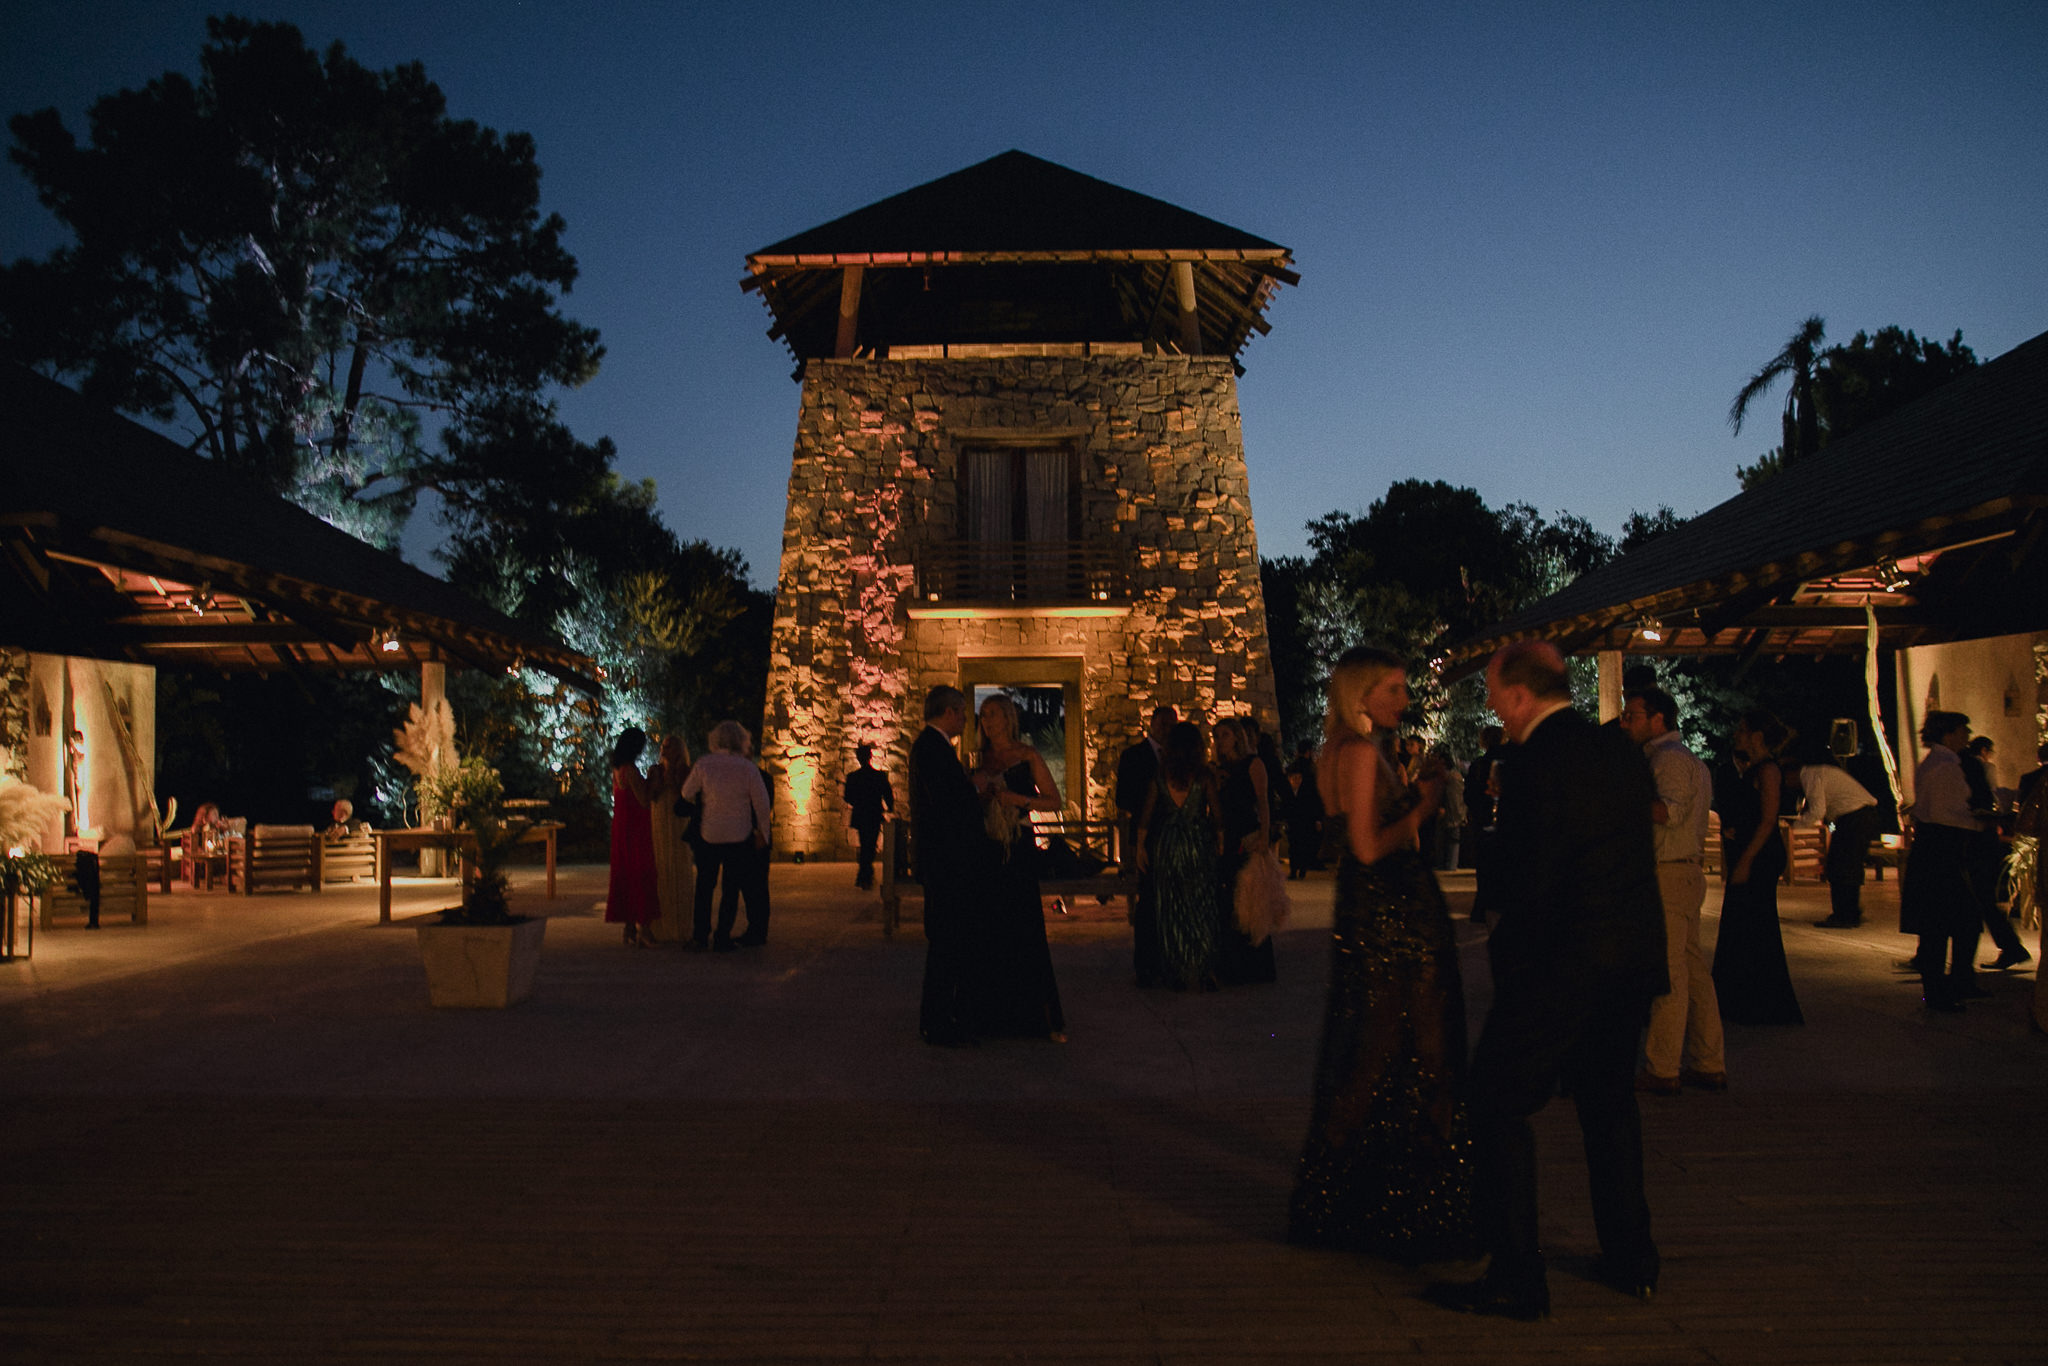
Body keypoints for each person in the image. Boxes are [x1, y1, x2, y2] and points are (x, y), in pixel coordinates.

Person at [1425, 641, 1665, 1322]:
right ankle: (1632, 1259)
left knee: (1495, 1100)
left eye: (1497, 694)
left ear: (1522, 696)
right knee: (1609, 1106)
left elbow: (1537, 877)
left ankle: (1517, 1274)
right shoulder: (1619, 751)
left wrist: (1510, 965)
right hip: (1629, 958)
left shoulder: (1531, 764)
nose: (1494, 706)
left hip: (1564, 963)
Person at [1288, 648, 1473, 1264]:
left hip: (1372, 908)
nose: (1404, 699)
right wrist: (1423, 803)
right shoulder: (1362, 753)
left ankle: (1348, 1196)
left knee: (1374, 1050)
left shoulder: (1339, 750)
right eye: (1393, 689)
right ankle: (1413, 1200)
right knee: (1417, 1050)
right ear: (1360, 695)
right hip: (1392, 909)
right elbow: (1368, 847)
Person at [1620, 687, 1725, 1096]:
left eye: (1633, 715)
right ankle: (1707, 1060)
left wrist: (1619, 796)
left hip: (1669, 874)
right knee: (1693, 971)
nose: (1626, 722)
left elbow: (1667, 812)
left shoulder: (1668, 761)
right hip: (1682, 874)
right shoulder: (1681, 759)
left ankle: (1663, 1067)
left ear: (1659, 719)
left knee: (1671, 974)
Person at [968, 693, 1067, 1040]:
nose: (988, 721)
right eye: (983, 716)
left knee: (1024, 927)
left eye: (993, 714)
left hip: (1018, 849)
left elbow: (1055, 801)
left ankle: (1034, 1015)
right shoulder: (979, 759)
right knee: (989, 930)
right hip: (987, 851)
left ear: (1008, 718)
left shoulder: (1027, 756)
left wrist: (1018, 800)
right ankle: (994, 1014)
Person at [911, 685, 993, 1046]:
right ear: (948, 713)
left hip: (944, 860)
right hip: (947, 862)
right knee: (947, 942)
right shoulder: (933, 748)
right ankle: (939, 1021)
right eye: (961, 712)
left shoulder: (932, 747)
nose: (965, 719)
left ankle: (943, 1015)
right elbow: (946, 803)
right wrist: (974, 787)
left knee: (949, 942)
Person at [1710, 711, 1804, 1025]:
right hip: (1749, 849)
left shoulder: (1768, 770)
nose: (1737, 735)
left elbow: (1767, 820)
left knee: (1754, 922)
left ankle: (1758, 1002)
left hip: (1759, 855)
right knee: (1744, 923)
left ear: (1757, 737)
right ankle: (1743, 1000)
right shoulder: (1752, 769)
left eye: (1742, 730)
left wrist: (1746, 860)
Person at [1903, 712, 1989, 1011]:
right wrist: (1978, 821)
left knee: (1944, 924)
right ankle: (1939, 994)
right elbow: (1943, 813)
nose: (1967, 736)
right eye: (1963, 730)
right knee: (1944, 924)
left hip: (1934, 849)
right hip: (1943, 850)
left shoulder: (1936, 763)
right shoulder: (1945, 766)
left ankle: (1945, 988)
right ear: (1949, 734)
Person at [1138, 721, 1221, 991]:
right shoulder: (1205, 777)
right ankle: (1204, 968)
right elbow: (1218, 818)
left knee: (1170, 908)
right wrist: (1219, 845)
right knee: (1202, 906)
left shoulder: (1159, 777)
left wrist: (1140, 848)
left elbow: (1146, 818)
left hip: (1168, 845)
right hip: (1197, 845)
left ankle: (1175, 969)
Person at [677, 720, 771, 952]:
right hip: (739, 835)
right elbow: (761, 802)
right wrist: (763, 833)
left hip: (709, 833)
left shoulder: (704, 764)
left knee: (704, 887)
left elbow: (686, 792)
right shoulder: (747, 768)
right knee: (731, 888)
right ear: (742, 741)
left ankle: (700, 936)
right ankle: (722, 936)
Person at [1212, 718, 1279, 986]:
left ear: (1238, 737)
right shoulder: (1220, 769)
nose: (1220, 741)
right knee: (1229, 899)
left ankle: (1254, 966)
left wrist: (1264, 835)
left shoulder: (1254, 764)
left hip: (1247, 835)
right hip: (1227, 837)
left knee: (1251, 901)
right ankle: (1231, 965)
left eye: (1225, 735)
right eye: (1217, 736)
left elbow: (1263, 802)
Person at [1116, 704, 1176, 986]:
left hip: (1175, 838)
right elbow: (1123, 800)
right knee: (1149, 901)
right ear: (1151, 725)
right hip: (1147, 838)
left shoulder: (1180, 757)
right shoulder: (1133, 756)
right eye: (1162, 723)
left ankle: (1170, 957)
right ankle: (1146, 965)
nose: (1166, 728)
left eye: (1171, 723)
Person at [1960, 736, 2029, 970]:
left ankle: (2010, 948)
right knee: (1982, 899)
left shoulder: (1972, 767)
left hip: (1977, 839)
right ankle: (2011, 947)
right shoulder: (1977, 766)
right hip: (1982, 838)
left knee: (1979, 899)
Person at [1790, 757, 1882, 928]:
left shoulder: (1809, 775)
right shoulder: (1819, 772)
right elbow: (1831, 815)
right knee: (1847, 864)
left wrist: (1794, 827)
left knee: (1842, 866)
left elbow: (1818, 811)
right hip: (1858, 817)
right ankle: (1850, 912)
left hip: (1855, 818)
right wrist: (1833, 832)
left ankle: (1844, 915)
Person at [604, 727, 661, 949]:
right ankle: (643, 930)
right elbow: (644, 800)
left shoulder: (617, 770)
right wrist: (654, 780)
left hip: (621, 827)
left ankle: (628, 927)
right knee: (642, 874)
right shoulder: (630, 771)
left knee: (627, 874)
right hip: (636, 829)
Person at [647, 733, 695, 943]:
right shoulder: (655, 771)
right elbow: (650, 795)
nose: (665, 751)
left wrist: (673, 777)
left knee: (679, 866)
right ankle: (662, 926)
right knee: (662, 867)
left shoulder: (686, 771)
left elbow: (686, 794)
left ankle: (682, 926)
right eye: (663, 747)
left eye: (670, 747)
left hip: (677, 821)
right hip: (659, 818)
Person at [1465, 725, 1505, 920]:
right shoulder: (1510, 761)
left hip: (1482, 819)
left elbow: (1470, 794)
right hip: (1505, 822)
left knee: (1483, 864)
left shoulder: (1479, 765)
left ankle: (1482, 905)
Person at [843, 744, 894, 891]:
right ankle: (865, 874)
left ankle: (865, 874)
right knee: (870, 845)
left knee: (866, 844)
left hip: (861, 815)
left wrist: (859, 803)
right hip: (873, 814)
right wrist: (889, 808)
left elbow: (848, 797)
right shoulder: (878, 776)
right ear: (870, 757)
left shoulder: (853, 777)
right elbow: (888, 794)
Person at [1284, 739, 1324, 880]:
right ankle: (1302, 869)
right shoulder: (1312, 770)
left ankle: (1294, 869)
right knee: (1305, 840)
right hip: (1308, 811)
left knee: (1293, 840)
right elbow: (1317, 794)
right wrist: (1318, 816)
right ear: (1309, 752)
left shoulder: (1291, 768)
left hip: (1293, 810)